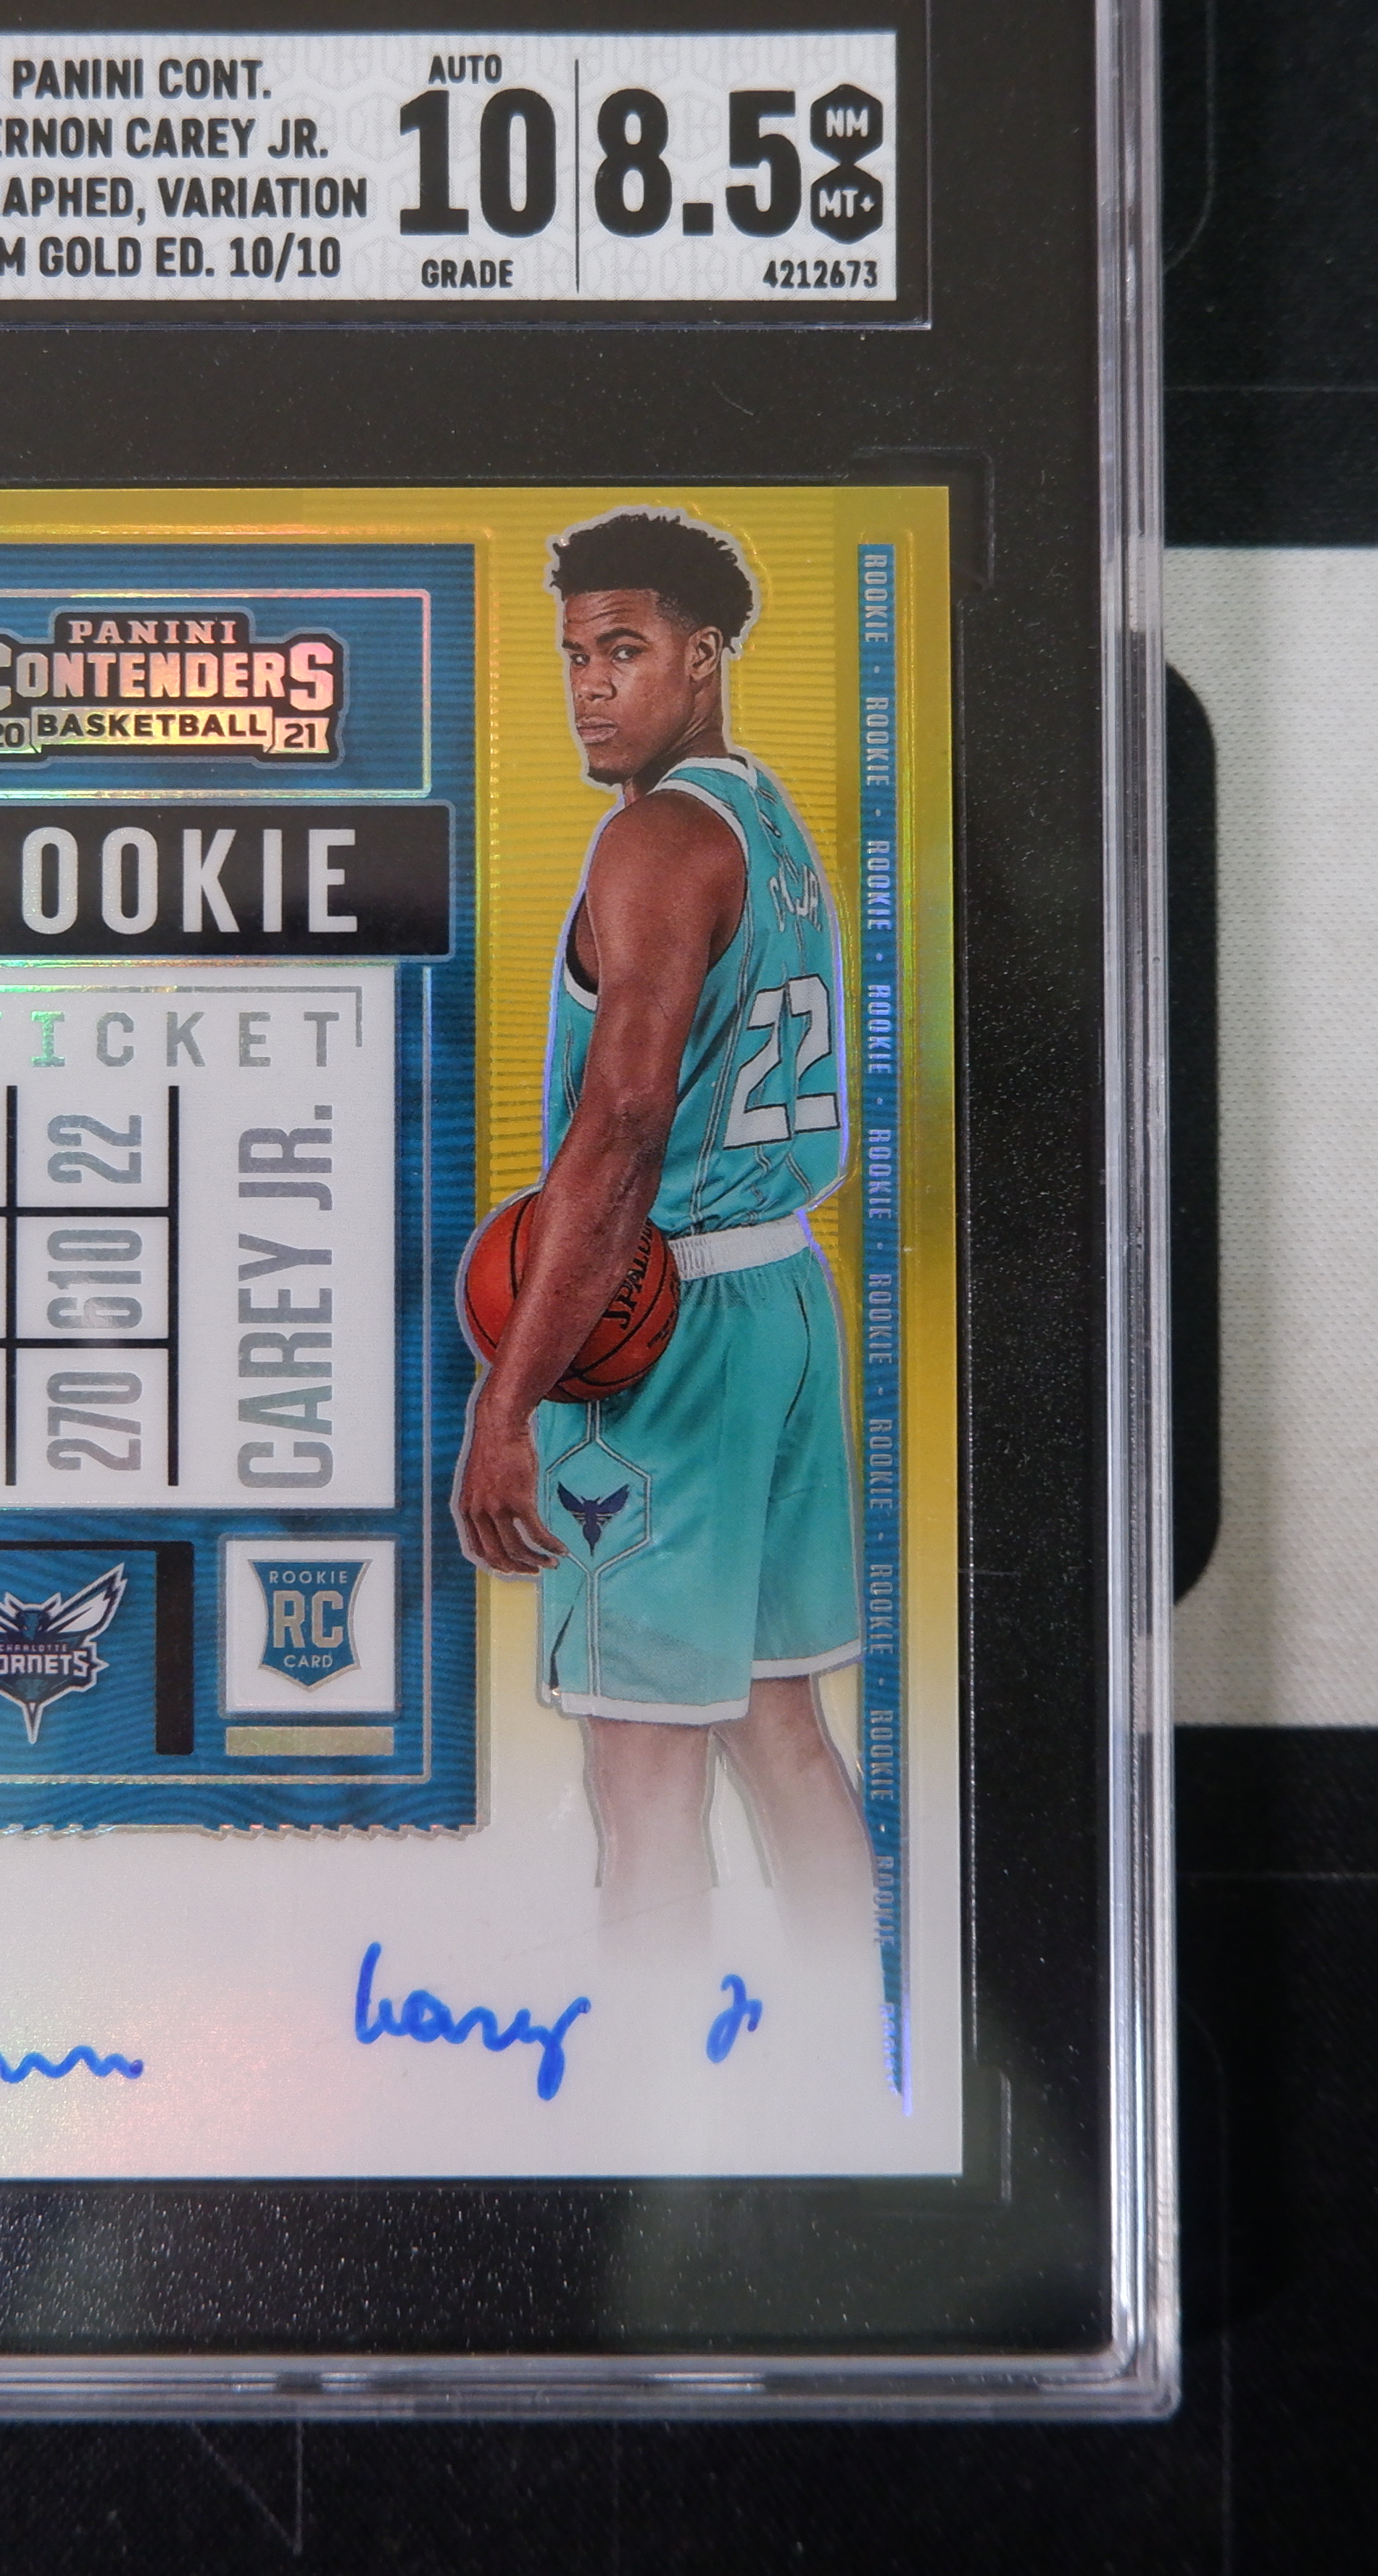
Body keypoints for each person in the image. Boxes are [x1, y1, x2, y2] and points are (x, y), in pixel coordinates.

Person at [452, 510, 870, 1947]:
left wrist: (507, 1403)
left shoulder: (652, 841)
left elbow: (624, 1126)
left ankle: (643, 2078)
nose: (589, 685)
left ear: (701, 658)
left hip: (666, 1331)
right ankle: (855, 2038)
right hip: (783, 1300)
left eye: (622, 651)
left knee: (639, 1778)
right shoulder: (768, 819)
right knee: (781, 1732)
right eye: (575, 655)